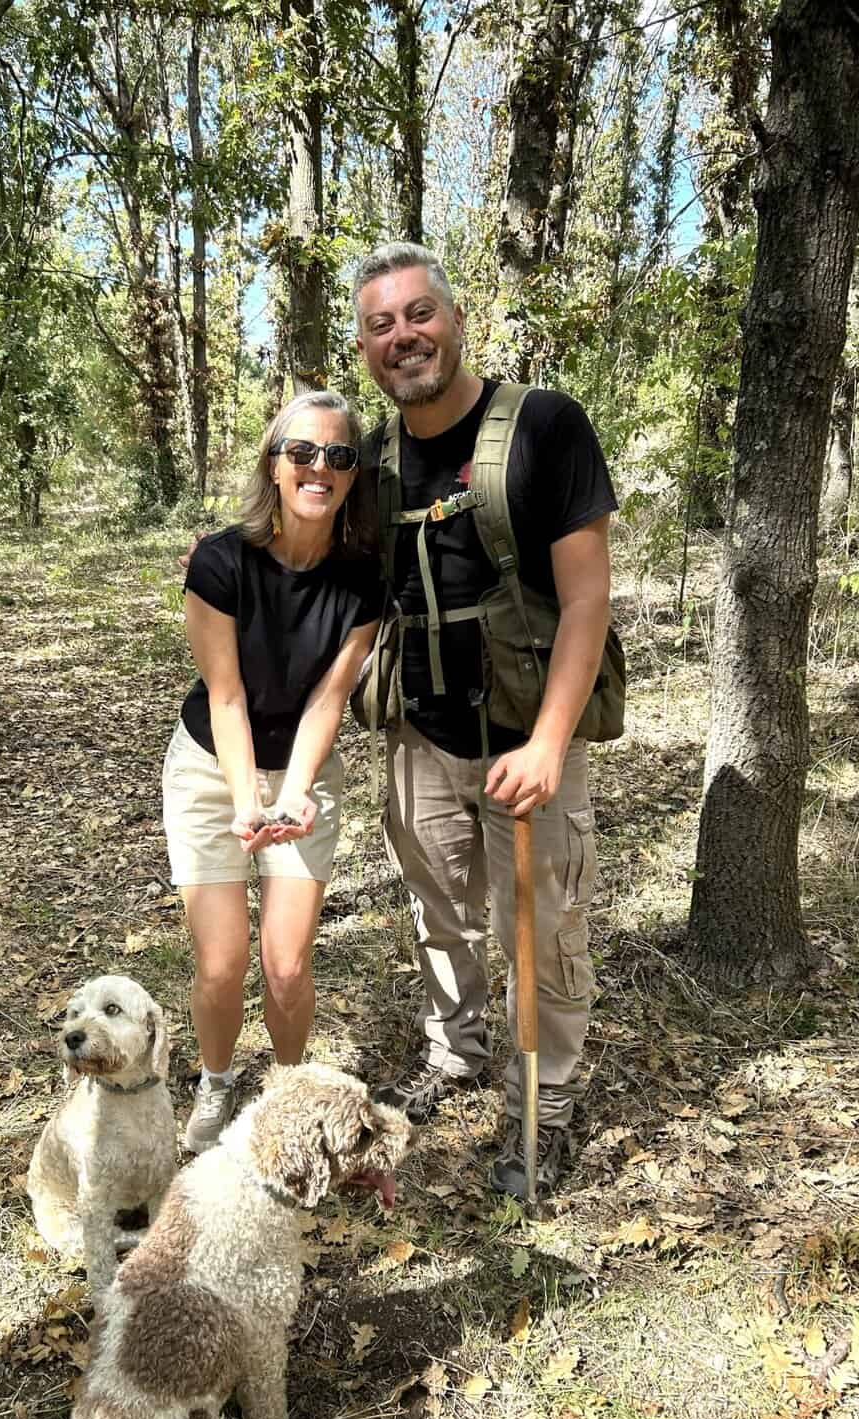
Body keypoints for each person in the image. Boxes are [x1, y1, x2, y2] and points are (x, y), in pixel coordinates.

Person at [352, 241, 617, 1200]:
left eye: (418, 314)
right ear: (363, 345)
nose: (403, 337)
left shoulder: (546, 425)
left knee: (540, 922)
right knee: (436, 914)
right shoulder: (370, 459)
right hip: (420, 736)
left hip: (526, 734)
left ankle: (543, 1095)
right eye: (380, 325)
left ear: (457, 321)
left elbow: (587, 602)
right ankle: (455, 1052)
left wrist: (550, 742)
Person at [163, 391, 380, 1154]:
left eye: (338, 455)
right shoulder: (221, 561)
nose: (319, 467)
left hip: (304, 771)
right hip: (210, 768)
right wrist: (247, 794)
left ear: (354, 475)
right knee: (221, 965)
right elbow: (225, 695)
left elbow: (330, 697)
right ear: (275, 464)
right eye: (303, 452)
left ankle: (288, 1094)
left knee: (285, 966)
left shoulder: (362, 579)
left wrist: (291, 794)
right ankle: (218, 1081)